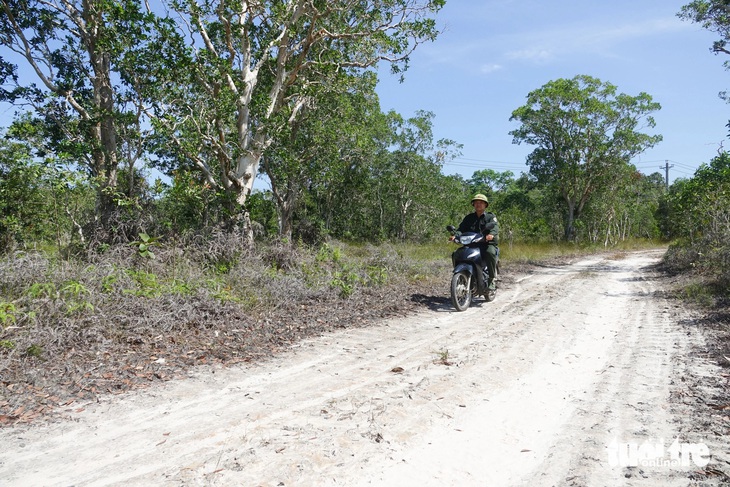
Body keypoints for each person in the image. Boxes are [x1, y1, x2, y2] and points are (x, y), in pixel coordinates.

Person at [451, 193, 499, 290]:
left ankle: (491, 279)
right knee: (456, 253)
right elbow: (461, 229)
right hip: (472, 243)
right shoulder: (469, 218)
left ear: (485, 205)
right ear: (473, 204)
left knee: (490, 252)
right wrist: (455, 236)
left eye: (481, 203)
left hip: (486, 243)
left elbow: (495, 226)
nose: (478, 204)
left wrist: (491, 235)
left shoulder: (490, 216)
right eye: (476, 202)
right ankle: (462, 274)